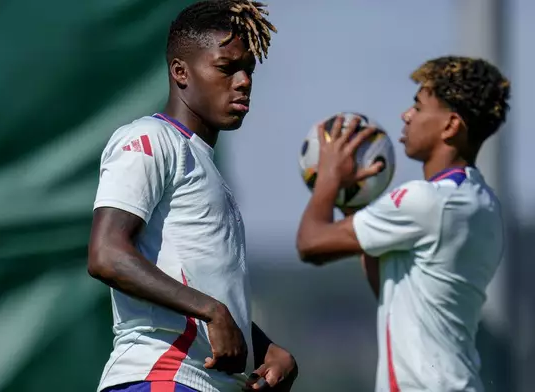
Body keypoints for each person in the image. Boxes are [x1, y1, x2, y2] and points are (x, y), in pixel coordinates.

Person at [88, 2, 297, 392]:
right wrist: (213, 311)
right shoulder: (150, 139)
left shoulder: (203, 166)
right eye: (226, 67)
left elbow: (202, 285)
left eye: (248, 69)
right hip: (161, 376)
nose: (244, 81)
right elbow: (106, 254)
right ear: (180, 72)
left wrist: (264, 349)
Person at [296, 56, 510, 391]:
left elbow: (311, 243)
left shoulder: (427, 201)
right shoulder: (482, 202)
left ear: (451, 125)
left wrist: (329, 178)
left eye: (419, 107)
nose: (406, 115)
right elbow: (391, 290)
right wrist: (356, 200)